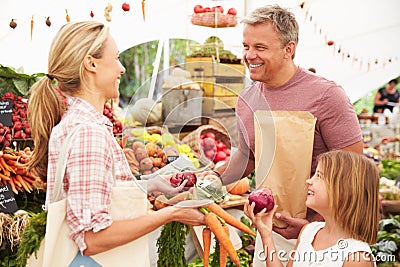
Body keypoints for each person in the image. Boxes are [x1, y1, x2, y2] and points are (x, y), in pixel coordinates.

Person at [26, 21, 205, 262]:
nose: (121, 68)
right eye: (117, 58)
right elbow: (91, 239)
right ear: (91, 63)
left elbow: (100, 195)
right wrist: (172, 214)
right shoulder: (89, 133)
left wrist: (152, 184)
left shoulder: (79, 123)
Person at [213, 4, 363, 265]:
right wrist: (211, 181)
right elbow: (248, 156)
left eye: (260, 47)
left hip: (327, 233)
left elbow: (356, 170)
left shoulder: (327, 95)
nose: (249, 55)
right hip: (270, 229)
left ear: (288, 49)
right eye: (246, 46)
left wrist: (311, 226)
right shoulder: (247, 99)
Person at [244, 150, 379, 267]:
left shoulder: (357, 258)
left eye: (319, 176)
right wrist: (266, 234)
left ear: (344, 191)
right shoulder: (309, 232)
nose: (309, 181)